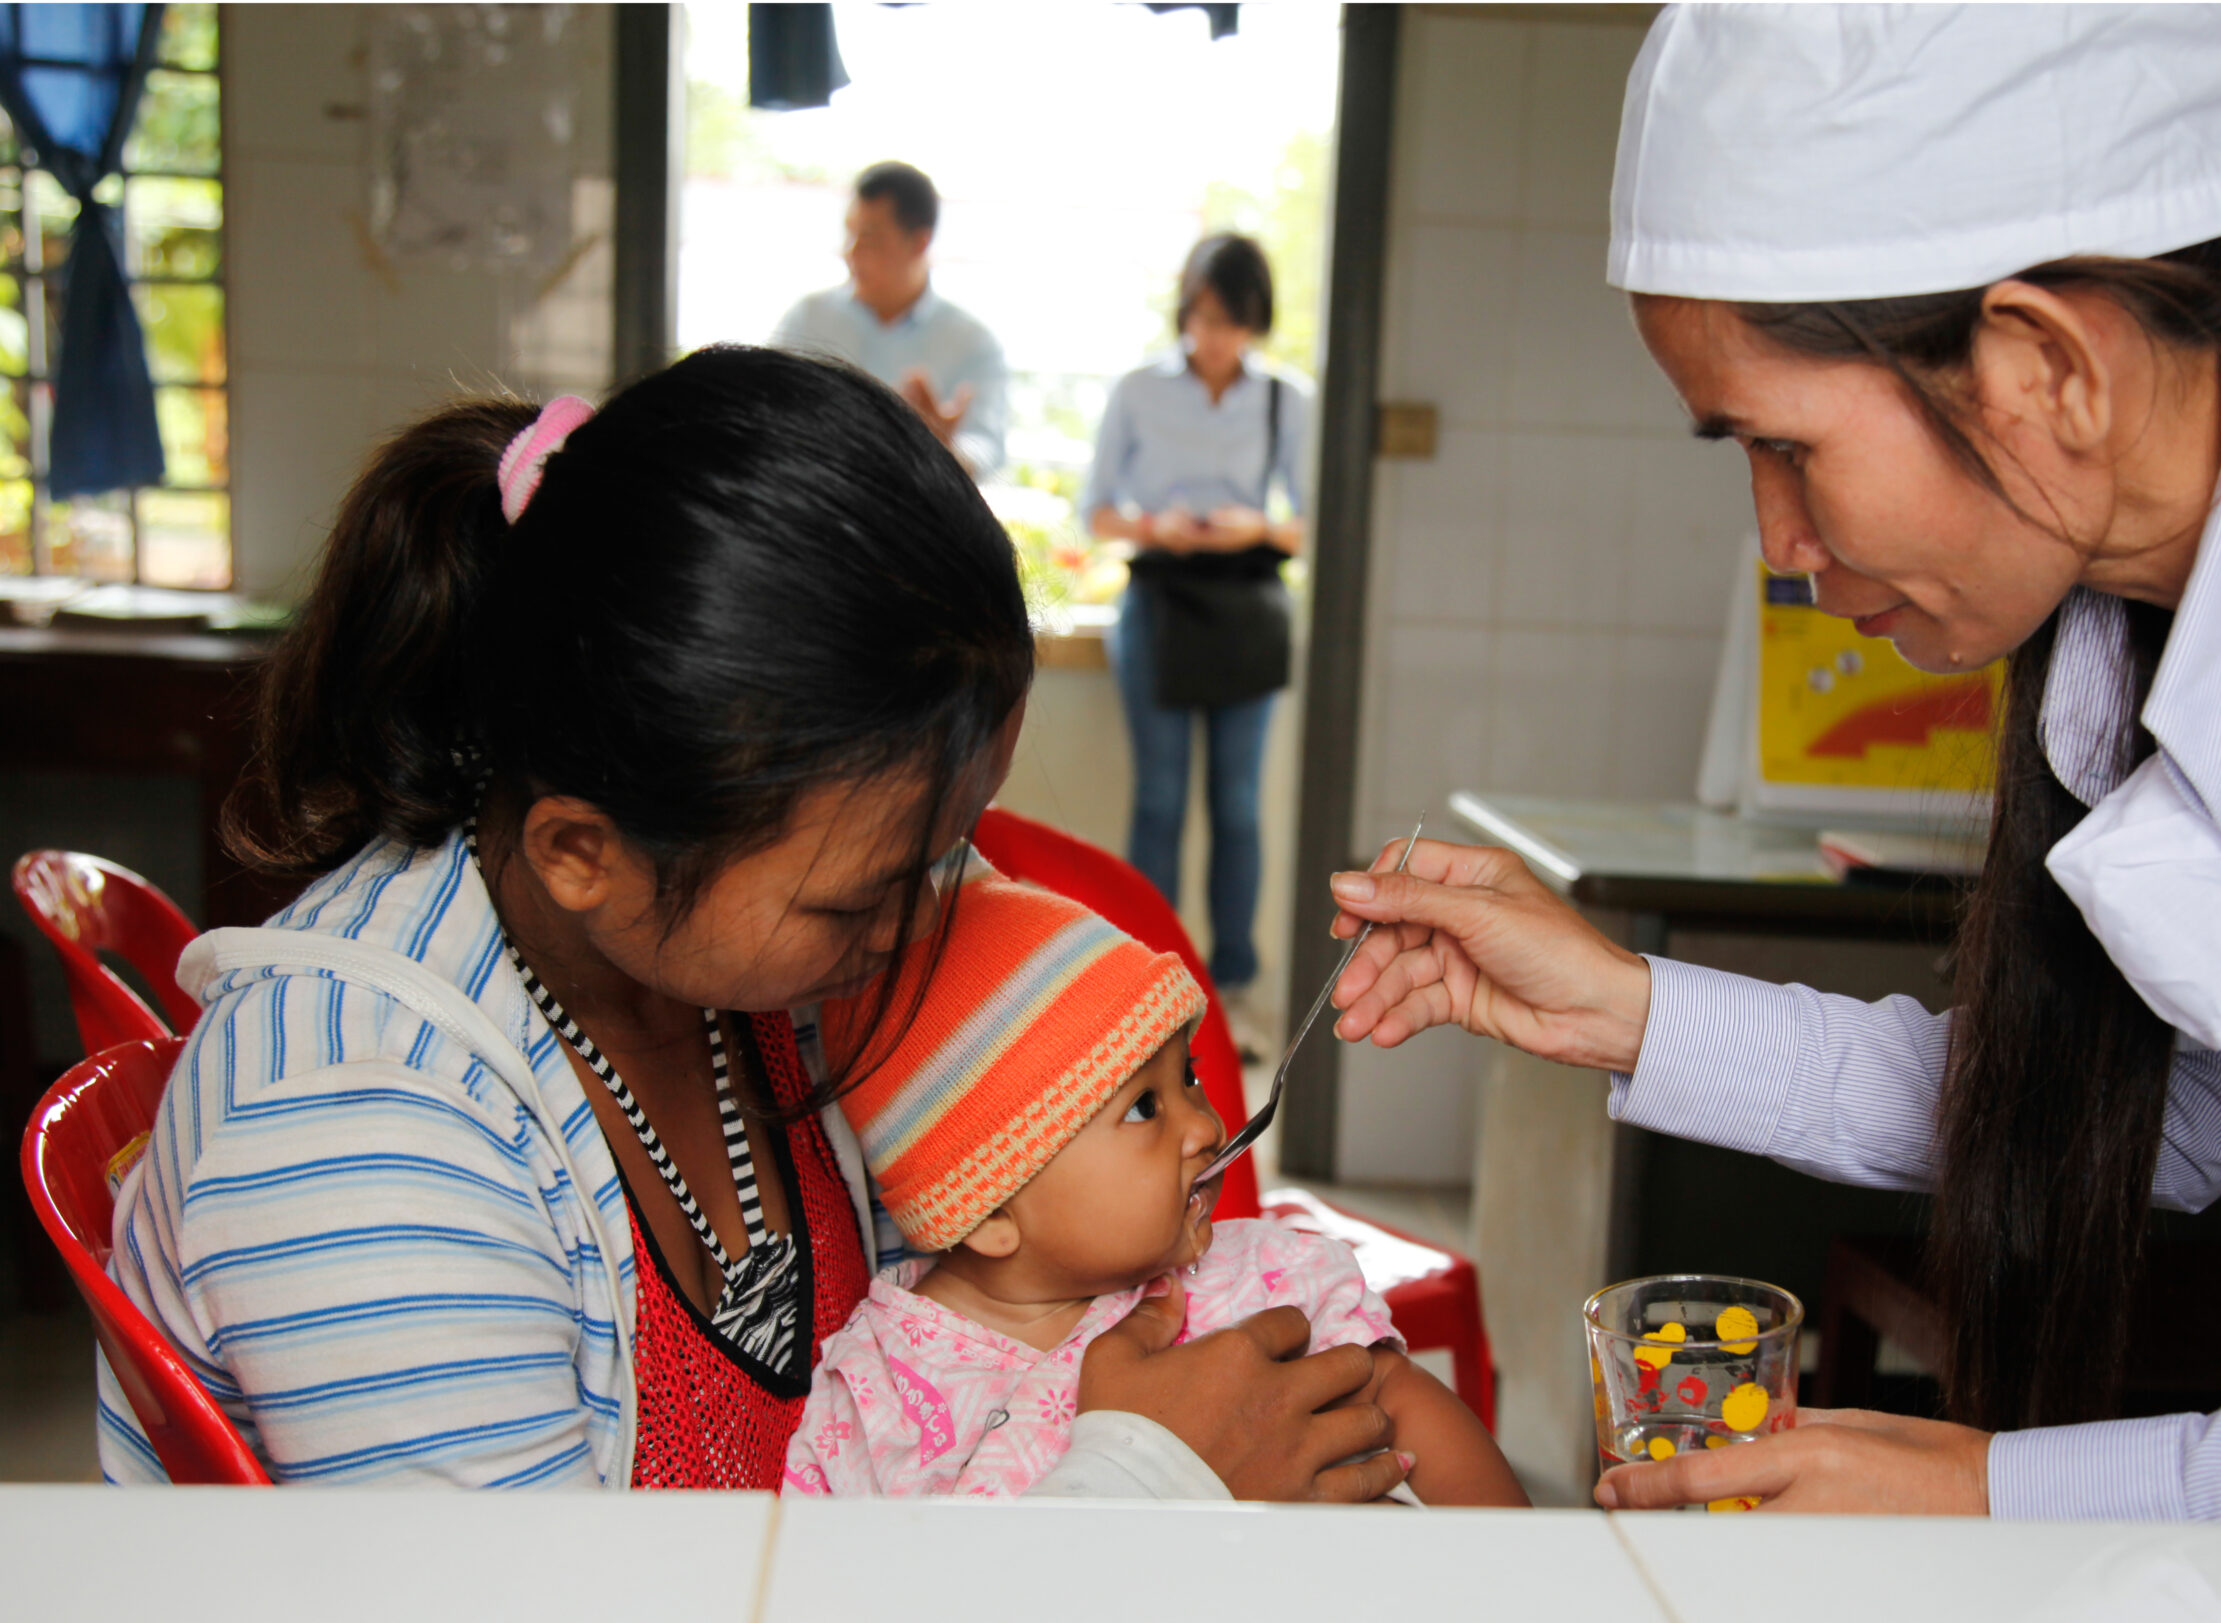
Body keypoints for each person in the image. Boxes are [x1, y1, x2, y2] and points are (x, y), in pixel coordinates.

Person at [1322, 3, 2221, 1523]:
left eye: (1782, 447)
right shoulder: (2137, 628)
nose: (1779, 545)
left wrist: (2005, 1491)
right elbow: (2141, 1117)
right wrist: (1623, 1008)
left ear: (2046, 367)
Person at [101, 345, 1409, 1503]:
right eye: (860, 896)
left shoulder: (732, 972)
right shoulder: (358, 1123)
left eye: (946, 848)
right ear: (582, 853)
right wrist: (1145, 1478)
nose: (925, 923)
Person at [784, 877, 1524, 1505]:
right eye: (1144, 1105)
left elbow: (1397, 1404)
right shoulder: (879, 1398)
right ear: (992, 1207)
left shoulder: (1256, 1282)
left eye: (1189, 1076)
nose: (1205, 1125)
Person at [1085, 234, 1312, 1022]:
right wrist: (1158, 526)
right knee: (1159, 798)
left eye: (1230, 320)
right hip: (1160, 601)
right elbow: (1098, 513)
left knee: (1238, 804)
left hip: (1247, 604)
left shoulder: (1287, 397)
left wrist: (1256, 524)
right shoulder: (1139, 390)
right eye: (1202, 317)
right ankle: (1147, 977)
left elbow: (1314, 521)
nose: (1213, 336)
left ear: (1255, 320)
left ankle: (1231, 986)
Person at [772, 160, 1008, 479]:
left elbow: (986, 450)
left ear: (919, 242)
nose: (851, 252)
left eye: (869, 238)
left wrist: (940, 449)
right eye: (850, 234)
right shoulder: (807, 319)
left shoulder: (971, 342)